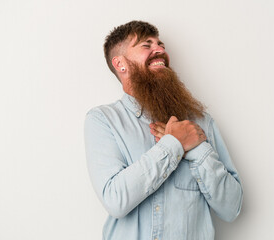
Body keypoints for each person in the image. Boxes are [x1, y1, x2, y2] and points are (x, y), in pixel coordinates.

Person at [84, 20, 243, 240]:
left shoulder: (202, 123)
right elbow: (116, 200)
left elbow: (231, 208)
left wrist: (197, 149)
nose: (160, 50)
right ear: (121, 64)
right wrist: (174, 144)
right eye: (146, 45)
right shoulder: (103, 120)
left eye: (160, 45)